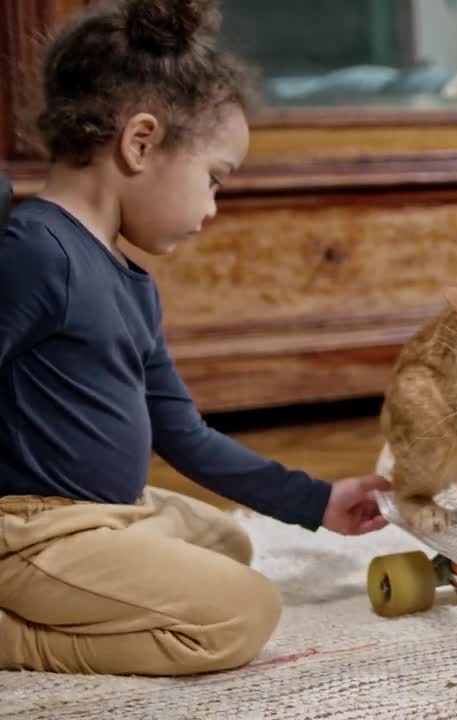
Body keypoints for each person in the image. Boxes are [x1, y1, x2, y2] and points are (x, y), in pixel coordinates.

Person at [0, 0, 391, 676]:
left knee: (226, 542)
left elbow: (183, 434)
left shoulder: (130, 283)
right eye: (214, 180)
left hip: (108, 516)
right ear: (140, 142)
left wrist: (315, 500)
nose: (212, 209)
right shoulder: (36, 252)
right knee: (241, 613)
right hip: (32, 529)